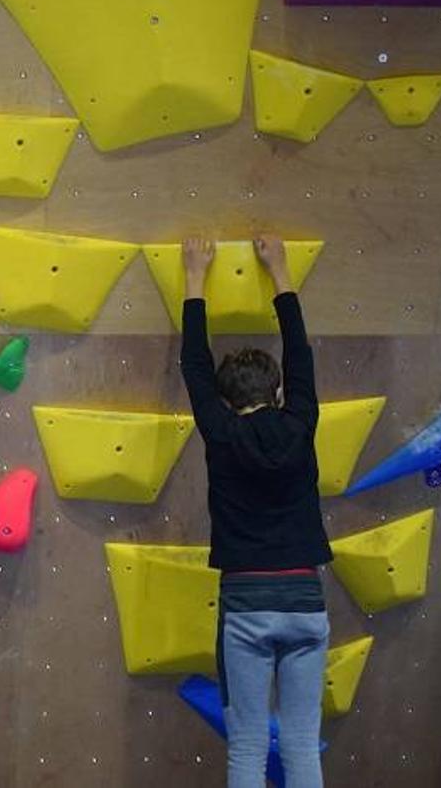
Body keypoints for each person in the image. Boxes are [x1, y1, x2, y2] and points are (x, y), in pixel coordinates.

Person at [179, 235, 333, 788]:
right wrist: (281, 271)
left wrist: (195, 276)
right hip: (305, 601)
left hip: (246, 606)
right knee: (300, 747)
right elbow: (302, 353)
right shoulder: (299, 423)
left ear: (224, 397)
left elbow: (193, 365)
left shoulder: (220, 433)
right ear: (279, 390)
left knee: (246, 748)